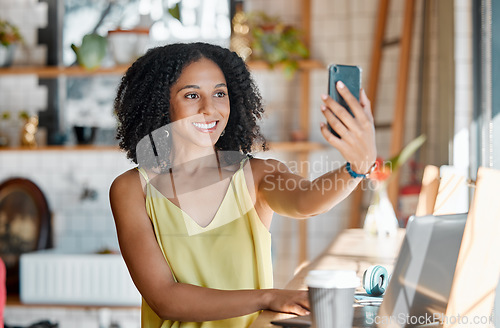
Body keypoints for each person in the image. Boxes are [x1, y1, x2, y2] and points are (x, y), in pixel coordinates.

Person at [109, 42, 376, 328]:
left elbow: (305, 201)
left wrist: (356, 168)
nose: (209, 108)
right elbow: (165, 299)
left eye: (220, 93)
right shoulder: (132, 189)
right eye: (191, 95)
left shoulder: (257, 174)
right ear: (161, 103)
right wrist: (267, 298)